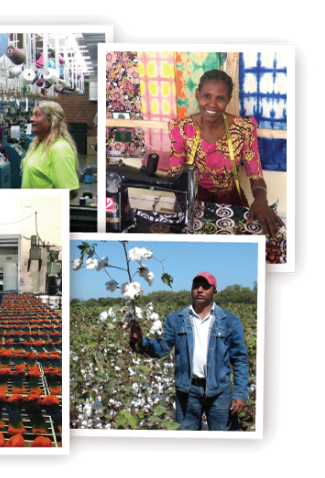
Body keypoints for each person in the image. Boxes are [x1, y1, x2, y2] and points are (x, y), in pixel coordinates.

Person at [167, 69, 283, 237]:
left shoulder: (243, 129)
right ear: (198, 94)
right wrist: (181, 196)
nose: (212, 104)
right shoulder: (182, 129)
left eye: (220, 98)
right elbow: (175, 174)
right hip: (193, 202)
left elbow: (255, 175)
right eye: (207, 96)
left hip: (232, 202)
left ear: (228, 100)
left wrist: (261, 200)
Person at [129, 272, 249, 431]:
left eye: (205, 287)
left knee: (225, 440)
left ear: (214, 293)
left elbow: (240, 359)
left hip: (219, 392)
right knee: (185, 441)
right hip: (187, 391)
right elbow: (161, 348)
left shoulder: (230, 321)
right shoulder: (175, 319)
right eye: (196, 286)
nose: (200, 290)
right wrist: (141, 342)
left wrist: (240, 393)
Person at [21, 101, 79, 199]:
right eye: (32, 115)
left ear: (52, 121)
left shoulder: (59, 149)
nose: (31, 119)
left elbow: (71, 191)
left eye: (37, 115)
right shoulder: (38, 145)